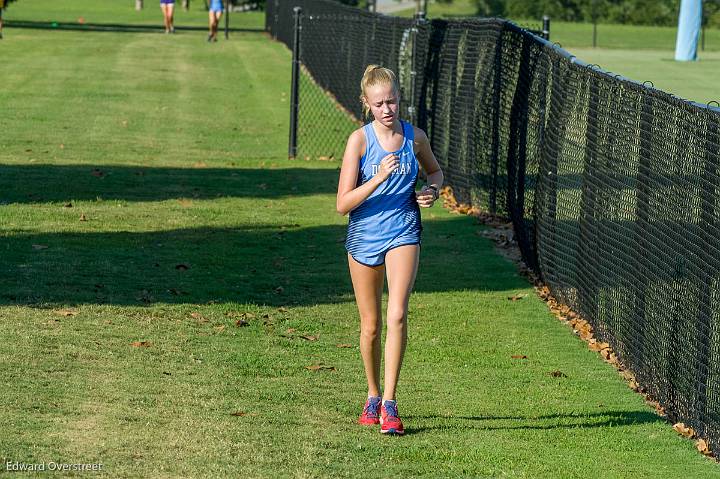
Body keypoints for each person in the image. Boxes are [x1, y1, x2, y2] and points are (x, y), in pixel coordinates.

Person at [336, 65, 444, 435]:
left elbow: (435, 172)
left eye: (393, 101)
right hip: (364, 235)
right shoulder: (360, 142)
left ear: (400, 99)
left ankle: (391, 404)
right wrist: (379, 176)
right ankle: (372, 394)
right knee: (370, 326)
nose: (388, 109)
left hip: (404, 229)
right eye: (380, 103)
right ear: (366, 104)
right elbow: (342, 203)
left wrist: (433, 191)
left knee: (397, 314)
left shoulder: (415, 138)